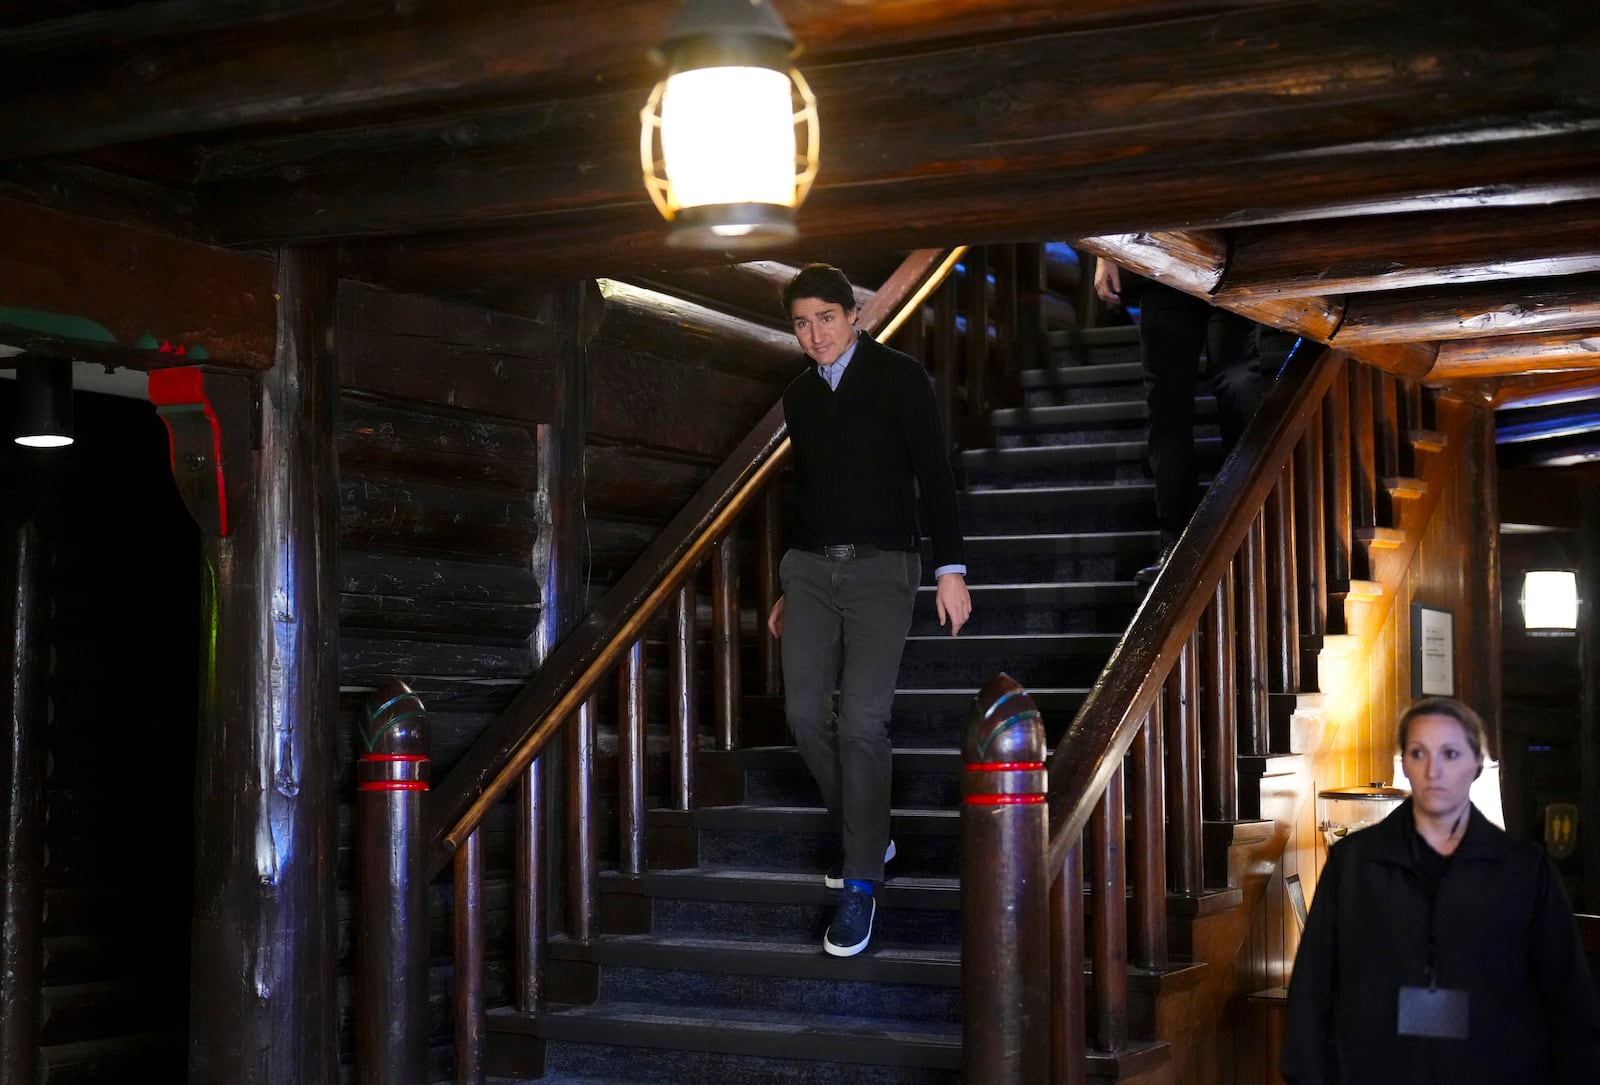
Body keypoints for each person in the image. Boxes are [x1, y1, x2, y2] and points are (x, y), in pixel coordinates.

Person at [765, 263, 971, 958]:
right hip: (811, 569)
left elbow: (934, 475)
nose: (814, 333)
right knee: (801, 712)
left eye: (825, 317)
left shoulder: (899, 376)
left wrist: (950, 569)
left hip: (885, 567)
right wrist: (790, 585)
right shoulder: (798, 395)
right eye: (801, 322)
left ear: (853, 315)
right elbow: (810, 493)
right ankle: (870, 829)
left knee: (861, 718)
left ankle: (860, 881)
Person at [1281, 697, 1600, 1082]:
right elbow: (1312, 991)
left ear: (1476, 765)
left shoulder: (1524, 870)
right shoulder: (1354, 864)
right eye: (1419, 753)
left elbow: (1569, 1002)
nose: (1434, 770)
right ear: (1406, 766)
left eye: (1450, 754)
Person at [1092, 259, 1263, 581]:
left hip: (1232, 260)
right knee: (1166, 404)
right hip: (1165, 265)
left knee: (1237, 379)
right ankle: (1175, 541)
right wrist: (1106, 255)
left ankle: (1252, 523)